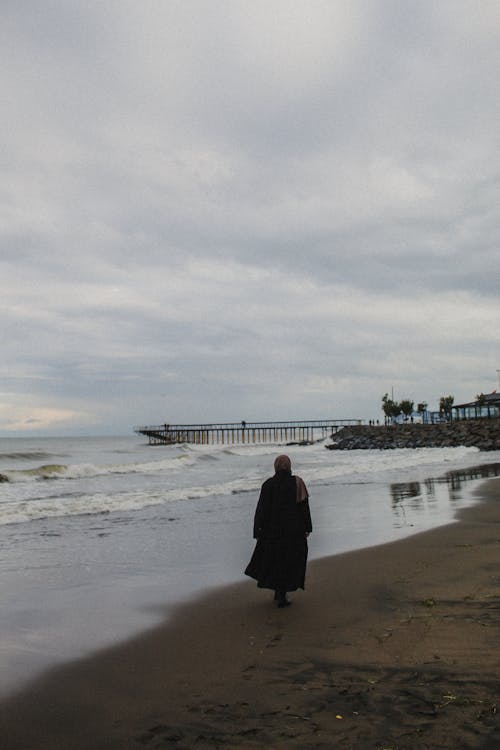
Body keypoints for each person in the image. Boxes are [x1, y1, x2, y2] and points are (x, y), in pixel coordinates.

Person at [244, 454, 312, 607]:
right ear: (289, 466)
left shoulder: (268, 484)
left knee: (275, 562)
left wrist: (257, 530)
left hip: (272, 532)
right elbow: (304, 508)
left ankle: (278, 592)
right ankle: (282, 594)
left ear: (275, 467)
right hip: (293, 532)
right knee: (289, 562)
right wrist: (307, 527)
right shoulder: (298, 482)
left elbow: (261, 510)